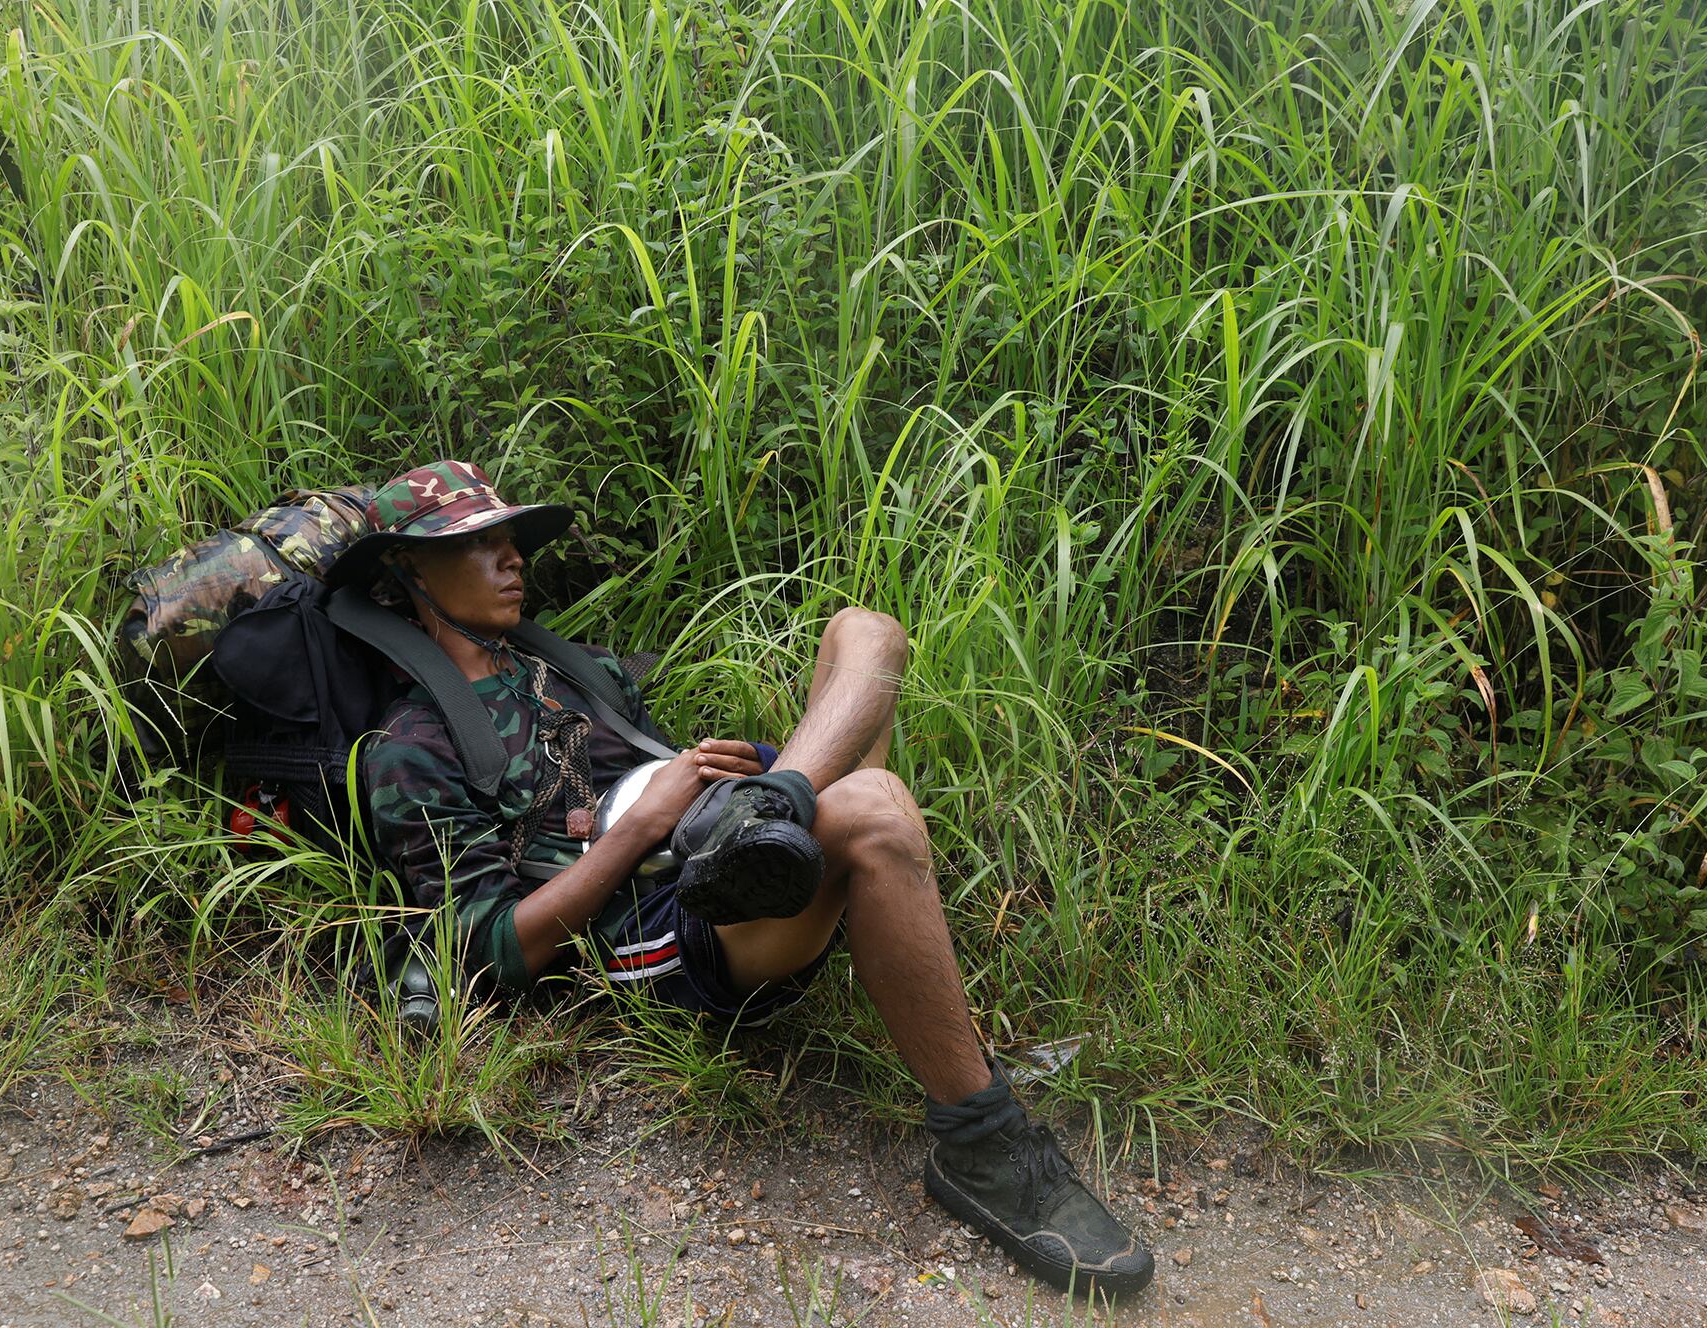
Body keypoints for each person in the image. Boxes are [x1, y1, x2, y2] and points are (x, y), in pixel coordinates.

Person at [332, 459, 1154, 1298]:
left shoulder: (579, 672)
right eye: (478, 545)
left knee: (867, 632)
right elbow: (491, 951)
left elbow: (655, 783)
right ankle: (984, 1145)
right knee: (874, 806)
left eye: (511, 541)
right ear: (407, 573)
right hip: (646, 931)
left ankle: (770, 806)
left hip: (708, 863)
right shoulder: (412, 748)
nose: (512, 561)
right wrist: (650, 825)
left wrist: (737, 773)